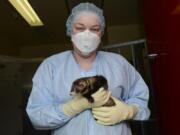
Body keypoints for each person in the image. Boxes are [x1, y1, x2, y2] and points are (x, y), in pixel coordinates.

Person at [26, 2, 150, 135]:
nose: (87, 34)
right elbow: (36, 116)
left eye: (94, 29)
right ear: (70, 30)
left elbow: (141, 100)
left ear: (101, 33)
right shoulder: (51, 66)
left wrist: (129, 111)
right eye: (80, 28)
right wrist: (71, 108)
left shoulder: (119, 64)